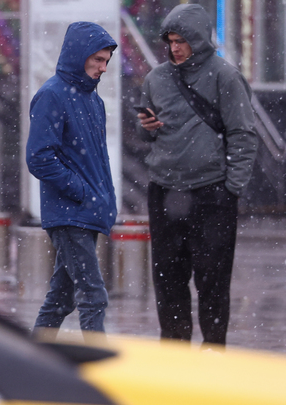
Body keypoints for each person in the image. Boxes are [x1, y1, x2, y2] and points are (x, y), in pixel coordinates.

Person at [136, 4, 259, 347]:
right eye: (171, 41)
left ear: (200, 40)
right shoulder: (156, 78)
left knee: (213, 280)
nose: (175, 48)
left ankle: (212, 352)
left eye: (182, 41)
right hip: (164, 191)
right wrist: (146, 127)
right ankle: (175, 355)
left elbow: (243, 134)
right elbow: (146, 131)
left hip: (211, 193)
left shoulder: (224, 76)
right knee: (168, 280)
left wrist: (231, 188)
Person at [26, 22, 118, 338]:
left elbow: (97, 160)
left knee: (61, 298)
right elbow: (39, 157)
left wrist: (101, 198)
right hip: (69, 214)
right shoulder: (52, 95)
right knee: (93, 296)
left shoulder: (94, 101)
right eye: (97, 60)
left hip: (83, 210)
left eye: (106, 61)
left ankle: (31, 363)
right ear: (80, 56)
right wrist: (80, 191)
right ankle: (98, 370)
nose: (103, 68)